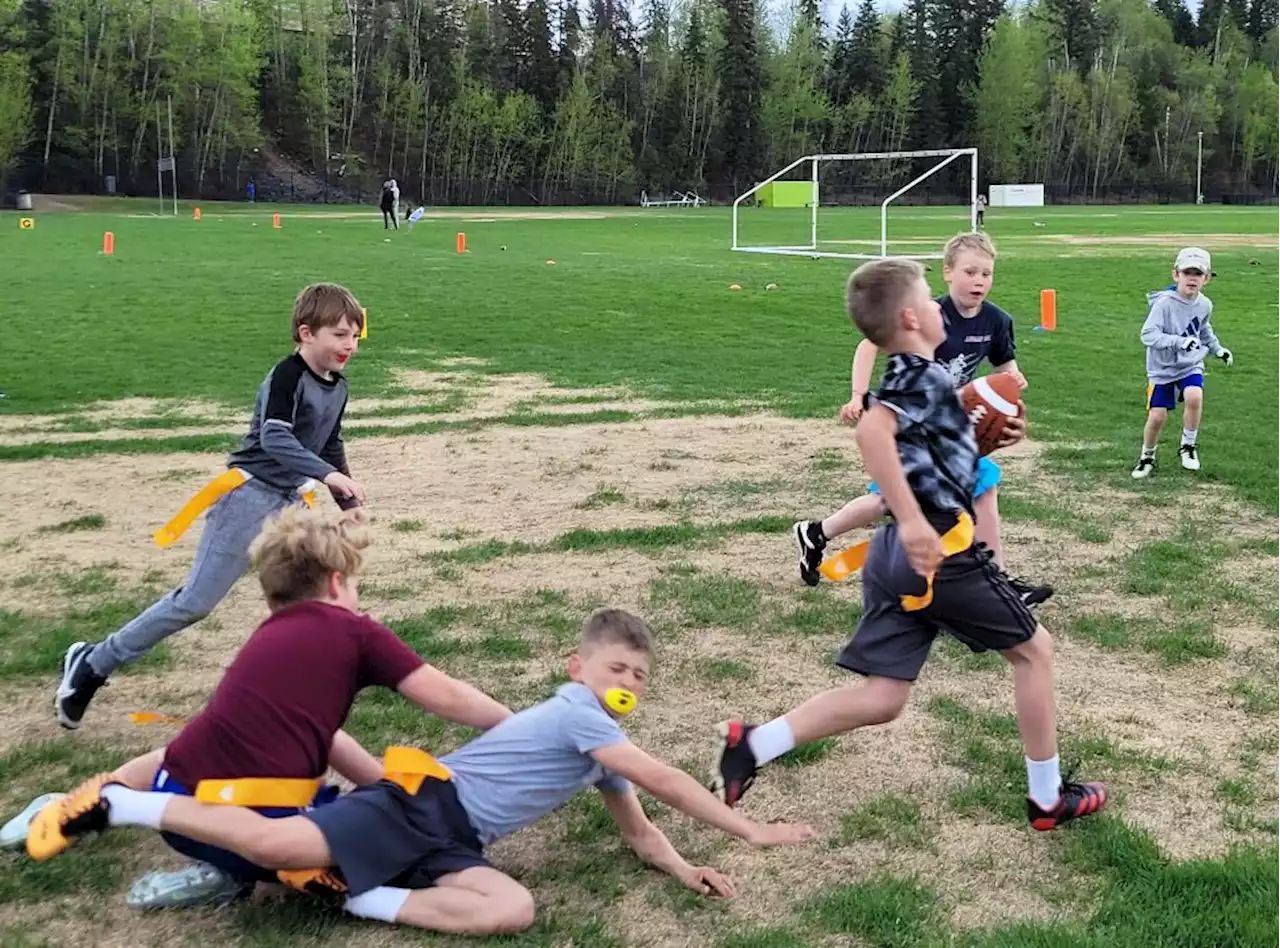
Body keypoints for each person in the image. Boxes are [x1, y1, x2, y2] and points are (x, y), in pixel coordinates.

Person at [31, 610, 816, 936]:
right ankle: (126, 805)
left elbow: (643, 830)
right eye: (617, 668)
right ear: (578, 667)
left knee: (511, 907)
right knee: (282, 848)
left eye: (640, 677)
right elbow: (671, 783)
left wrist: (687, 869)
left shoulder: (597, 749)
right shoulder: (580, 713)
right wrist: (749, 828)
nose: (628, 685)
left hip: (454, 839)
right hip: (416, 803)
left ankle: (364, 895)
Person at [711, 257, 1109, 834]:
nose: (936, 306)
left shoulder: (924, 377)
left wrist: (993, 444)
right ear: (910, 317)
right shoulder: (919, 378)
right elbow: (872, 432)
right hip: (936, 552)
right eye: (928, 297)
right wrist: (916, 521)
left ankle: (752, 746)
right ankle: (1047, 799)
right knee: (1035, 652)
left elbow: (934, 462)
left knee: (884, 697)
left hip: (894, 553)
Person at [25, 504, 511, 909]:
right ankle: (254, 871)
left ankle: (74, 808)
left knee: (221, 749)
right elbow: (442, 694)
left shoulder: (268, 636)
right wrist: (511, 723)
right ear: (338, 582)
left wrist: (377, 781)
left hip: (186, 798)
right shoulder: (356, 631)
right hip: (251, 818)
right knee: (372, 850)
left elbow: (325, 735)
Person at [54, 284, 368, 730]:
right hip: (249, 496)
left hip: (292, 502)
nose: (349, 345)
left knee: (308, 595)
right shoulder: (287, 376)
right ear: (305, 333)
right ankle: (92, 663)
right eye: (339, 334)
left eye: (355, 336)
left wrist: (344, 495)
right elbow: (275, 437)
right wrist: (328, 475)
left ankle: (300, 694)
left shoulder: (338, 388)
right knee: (196, 601)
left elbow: (329, 440)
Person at [792, 232, 1052, 609]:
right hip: (912, 426)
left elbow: (1004, 369)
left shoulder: (998, 321)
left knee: (983, 484)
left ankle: (996, 583)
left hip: (953, 430)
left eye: (987, 274)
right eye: (970, 272)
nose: (979, 280)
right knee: (887, 500)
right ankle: (818, 532)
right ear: (948, 273)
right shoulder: (928, 312)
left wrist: (1013, 384)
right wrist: (857, 395)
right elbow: (868, 345)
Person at [1132, 247, 1232, 478]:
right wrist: (1178, 342)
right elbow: (1148, 335)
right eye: (1188, 272)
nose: (1192, 278)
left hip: (1190, 364)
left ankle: (1188, 446)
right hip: (1161, 369)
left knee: (1195, 395)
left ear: (1206, 279)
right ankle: (1147, 456)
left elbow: (1204, 329)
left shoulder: (1205, 304)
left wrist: (1218, 349)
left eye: (1198, 274)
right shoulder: (1164, 304)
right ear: (1176, 275)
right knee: (1157, 417)